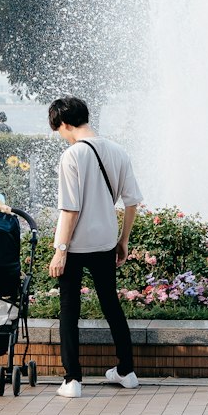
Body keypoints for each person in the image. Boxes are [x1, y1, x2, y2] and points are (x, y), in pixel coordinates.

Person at [48, 95, 142, 399]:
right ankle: (126, 371)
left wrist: (60, 249)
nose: (61, 136)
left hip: (75, 246)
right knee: (111, 305)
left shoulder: (72, 156)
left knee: (69, 311)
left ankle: (72, 380)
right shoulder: (117, 151)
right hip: (105, 243)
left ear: (64, 124)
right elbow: (132, 202)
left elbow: (70, 209)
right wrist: (123, 240)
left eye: (58, 130)